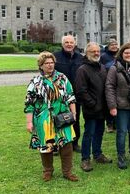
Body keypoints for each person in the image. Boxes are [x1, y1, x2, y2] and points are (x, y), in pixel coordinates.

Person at [24, 51, 78, 182]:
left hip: (62, 116)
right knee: (46, 146)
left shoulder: (62, 78)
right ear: (41, 65)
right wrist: (29, 122)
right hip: (44, 119)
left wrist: (74, 113)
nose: (50, 65)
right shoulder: (35, 82)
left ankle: (68, 172)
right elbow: (29, 104)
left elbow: (70, 96)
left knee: (66, 145)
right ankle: (48, 171)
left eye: (51, 62)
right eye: (46, 63)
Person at [75, 42, 113, 172]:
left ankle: (97, 154)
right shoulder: (82, 69)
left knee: (99, 132)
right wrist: (92, 104)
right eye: (93, 52)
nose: (96, 53)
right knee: (89, 133)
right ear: (87, 53)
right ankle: (85, 159)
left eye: (98, 51)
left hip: (102, 109)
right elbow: (81, 91)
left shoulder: (102, 67)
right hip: (91, 109)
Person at [54, 35, 83, 152]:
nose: (69, 44)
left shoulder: (80, 58)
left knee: (75, 119)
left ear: (74, 44)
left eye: (71, 42)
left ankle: (74, 143)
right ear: (62, 44)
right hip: (58, 95)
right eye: (67, 42)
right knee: (57, 119)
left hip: (75, 95)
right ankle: (56, 144)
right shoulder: (55, 57)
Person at [99, 38, 119, 133]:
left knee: (117, 103)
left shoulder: (119, 55)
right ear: (108, 46)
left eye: (115, 44)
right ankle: (109, 124)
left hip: (118, 82)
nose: (114, 46)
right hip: (107, 82)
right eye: (112, 45)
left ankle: (116, 123)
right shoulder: (103, 56)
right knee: (109, 104)